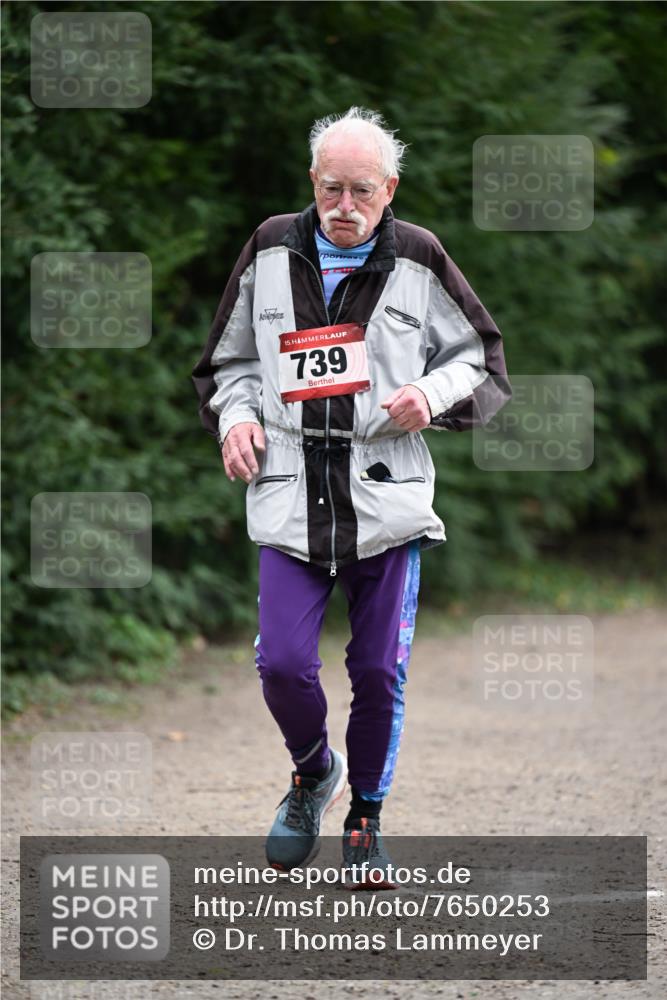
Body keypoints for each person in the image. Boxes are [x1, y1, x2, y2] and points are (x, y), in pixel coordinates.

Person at [192, 106, 511, 887]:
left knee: (376, 669)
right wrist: (235, 418)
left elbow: (480, 361)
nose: (343, 206)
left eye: (360, 191)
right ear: (312, 182)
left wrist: (430, 396)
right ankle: (312, 774)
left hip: (385, 496)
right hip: (290, 492)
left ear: (389, 189)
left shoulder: (420, 258)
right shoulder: (269, 247)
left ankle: (365, 817)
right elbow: (227, 365)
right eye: (330, 188)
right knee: (282, 666)